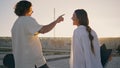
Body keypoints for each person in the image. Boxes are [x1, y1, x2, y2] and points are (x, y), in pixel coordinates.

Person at [11, 0, 64, 68]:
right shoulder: (27, 19)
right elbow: (43, 30)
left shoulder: (15, 25)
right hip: (34, 63)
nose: (32, 12)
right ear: (26, 9)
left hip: (20, 64)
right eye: (31, 9)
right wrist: (56, 21)